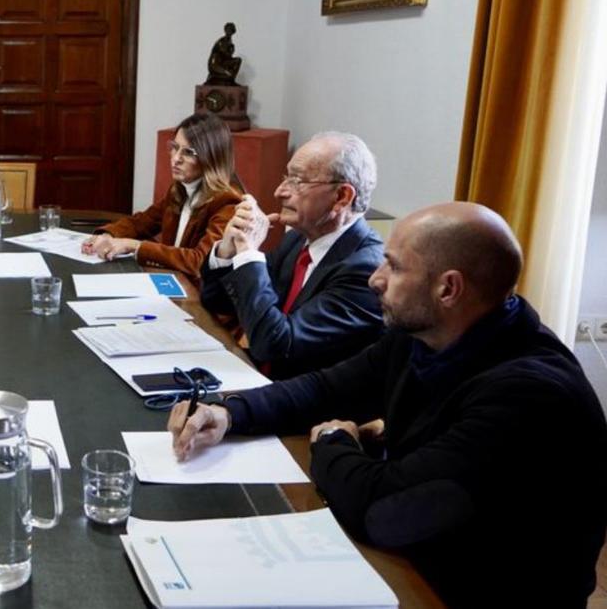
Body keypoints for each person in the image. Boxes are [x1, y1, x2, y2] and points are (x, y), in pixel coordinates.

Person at [169, 202, 607, 608]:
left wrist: (335, 439)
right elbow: (325, 389)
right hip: (421, 561)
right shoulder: (425, 333)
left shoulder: (529, 395)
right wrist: (228, 412)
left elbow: (381, 510)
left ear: (448, 288)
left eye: (394, 267)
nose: (375, 278)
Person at [199, 131, 383, 378]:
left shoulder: (365, 270)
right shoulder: (297, 239)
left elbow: (274, 344)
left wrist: (249, 254)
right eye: (287, 177)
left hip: (311, 408)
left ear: (342, 197)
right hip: (259, 378)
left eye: (297, 181)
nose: (279, 191)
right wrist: (228, 249)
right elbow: (219, 303)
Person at [80, 112, 242, 278]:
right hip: (171, 281)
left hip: (198, 298)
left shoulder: (227, 203)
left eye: (188, 152)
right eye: (174, 147)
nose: (176, 158)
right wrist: (108, 235)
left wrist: (135, 246)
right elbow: (141, 222)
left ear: (211, 158)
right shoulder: (180, 190)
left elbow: (199, 261)